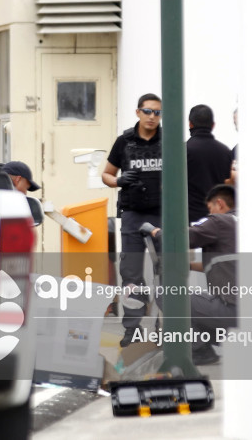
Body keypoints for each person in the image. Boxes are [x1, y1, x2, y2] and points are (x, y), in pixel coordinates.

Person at [143, 184, 237, 365]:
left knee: (167, 294)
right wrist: (190, 265)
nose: (210, 213)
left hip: (232, 312)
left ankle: (200, 350)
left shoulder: (219, 221)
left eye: (210, 208)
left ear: (219, 203)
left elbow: (180, 238)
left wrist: (155, 231)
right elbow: (226, 263)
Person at [102, 93, 163, 347]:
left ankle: (166, 326)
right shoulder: (124, 142)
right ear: (138, 112)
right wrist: (118, 181)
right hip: (133, 214)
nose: (152, 117)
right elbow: (106, 174)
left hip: (162, 213)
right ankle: (132, 328)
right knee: (131, 273)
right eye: (147, 111)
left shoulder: (169, 142)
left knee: (168, 271)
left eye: (157, 113)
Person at [186, 105, 233, 223]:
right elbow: (228, 182)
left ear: (190, 124)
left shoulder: (182, 151)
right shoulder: (225, 151)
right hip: (217, 217)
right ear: (213, 125)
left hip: (189, 218)